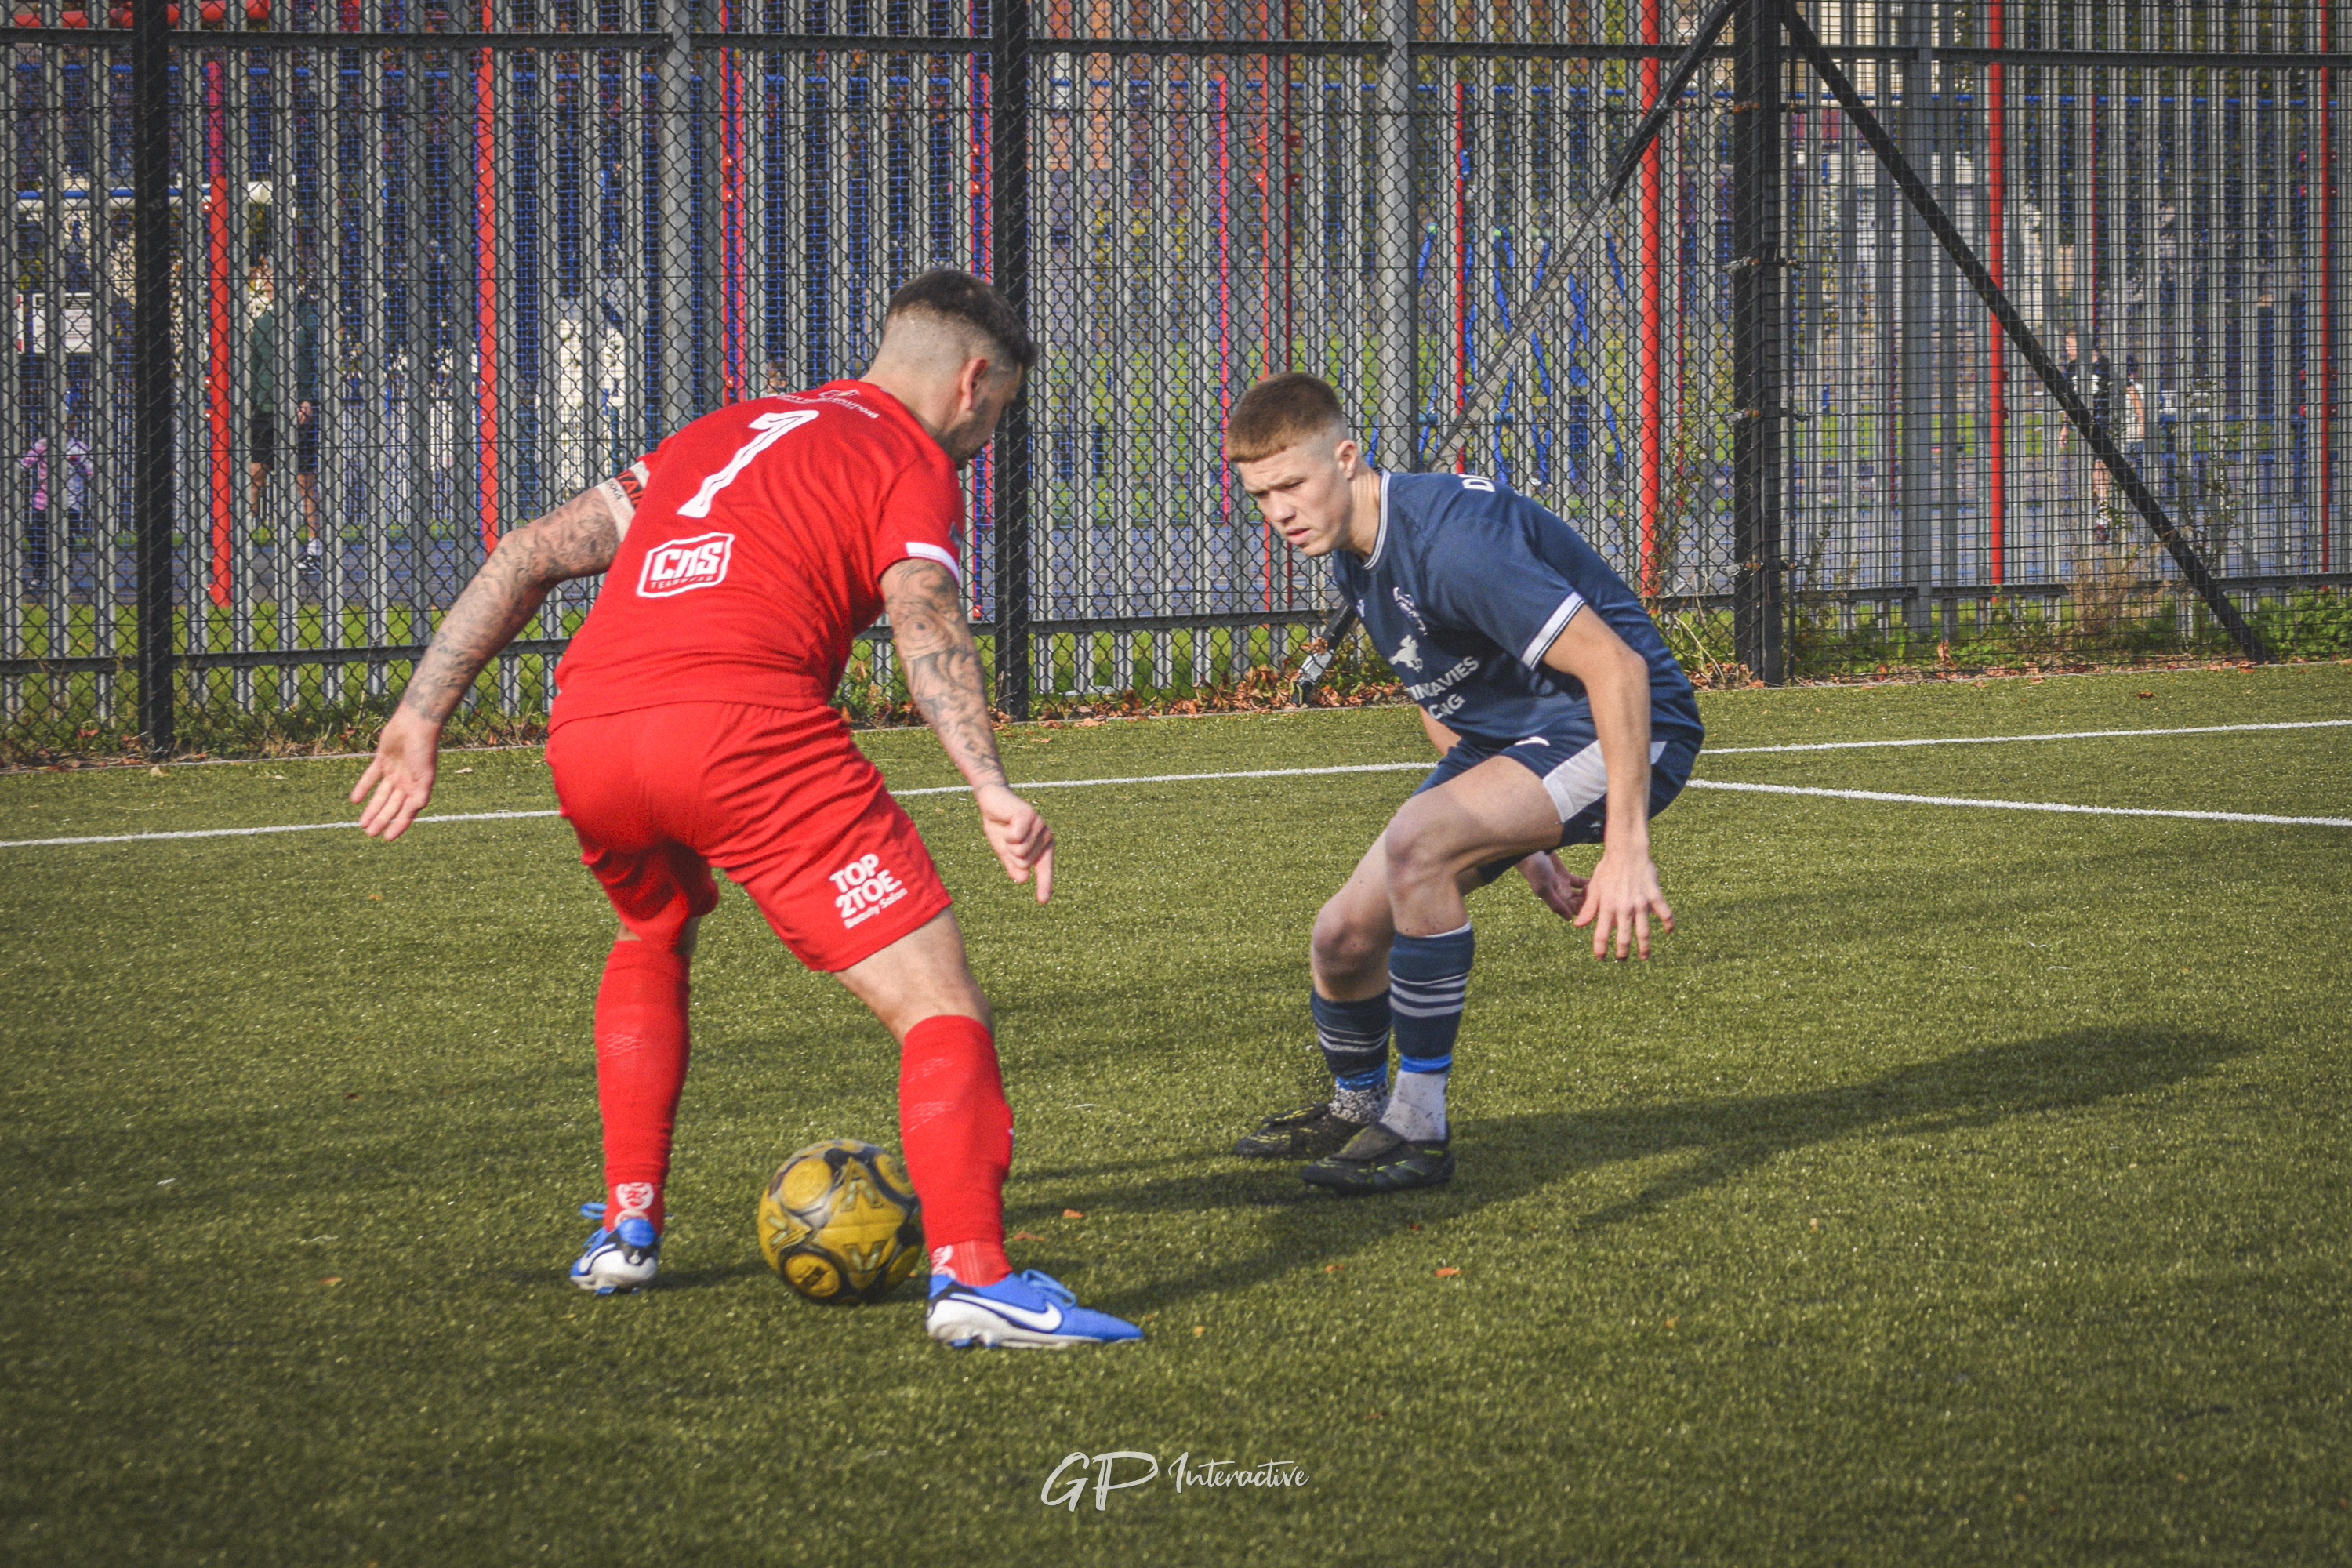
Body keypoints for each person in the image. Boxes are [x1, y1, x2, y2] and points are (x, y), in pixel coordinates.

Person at [350, 270, 1140, 1351]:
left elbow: (528, 552)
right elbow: (923, 611)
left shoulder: (723, 428)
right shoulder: (904, 455)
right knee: (939, 1005)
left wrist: (418, 715)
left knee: (653, 926)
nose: (984, 438)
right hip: (742, 733)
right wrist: (989, 785)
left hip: (589, 736)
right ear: (971, 382)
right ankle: (975, 1277)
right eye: (994, 414)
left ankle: (626, 1229)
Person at [1223, 373, 1704, 1193]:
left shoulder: (1450, 541)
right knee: (1341, 938)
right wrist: (1526, 845)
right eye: (1262, 495)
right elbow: (1446, 698)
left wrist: (1627, 846)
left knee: (1419, 848)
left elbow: (1616, 666)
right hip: (1523, 737)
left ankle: (1419, 1126)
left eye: (1293, 484)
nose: (1280, 511)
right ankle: (1358, 1101)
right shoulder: (1352, 543)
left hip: (1625, 721)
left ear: (1346, 458)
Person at [246, 258, 323, 573]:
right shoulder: (263, 322)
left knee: (304, 480)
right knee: (255, 473)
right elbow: (254, 367)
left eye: (274, 276)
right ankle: (245, 540)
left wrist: (309, 398)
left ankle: (314, 547)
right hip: (266, 408)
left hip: (298, 410)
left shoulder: (310, 318)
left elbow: (318, 361)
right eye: (265, 276)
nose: (268, 282)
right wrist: (249, 403)